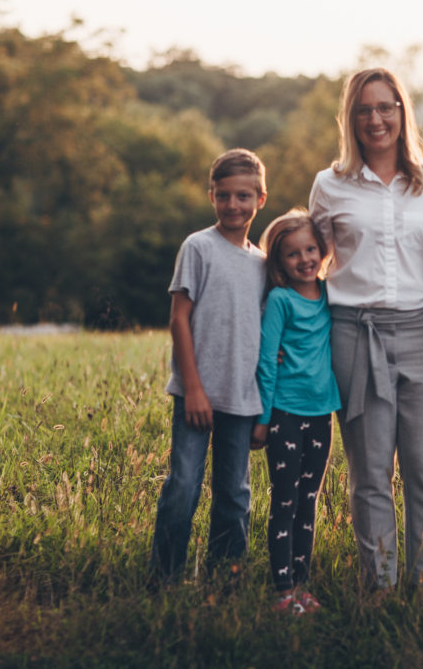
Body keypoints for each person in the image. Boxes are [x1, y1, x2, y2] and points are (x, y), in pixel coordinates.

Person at [309, 68, 423, 604]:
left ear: (402, 111)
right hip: (354, 333)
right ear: (351, 118)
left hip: (422, 331)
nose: (376, 119)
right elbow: (312, 261)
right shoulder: (330, 184)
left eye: (386, 107)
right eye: (364, 109)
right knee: (369, 471)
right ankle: (380, 585)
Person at [148, 148, 268, 586]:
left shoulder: (263, 264)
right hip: (196, 395)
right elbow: (179, 317)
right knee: (183, 487)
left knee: (235, 495)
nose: (233, 205)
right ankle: (164, 578)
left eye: (243, 196)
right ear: (211, 196)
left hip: (242, 398)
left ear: (261, 198)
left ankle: (225, 580)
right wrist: (193, 388)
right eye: (223, 196)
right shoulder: (198, 247)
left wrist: (263, 410)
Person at [250, 209, 341, 615]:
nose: (304, 259)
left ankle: (303, 587)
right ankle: (281, 590)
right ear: (279, 263)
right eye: (292, 254)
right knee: (284, 502)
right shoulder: (281, 300)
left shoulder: (330, 293)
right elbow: (267, 360)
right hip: (285, 413)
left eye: (310, 249)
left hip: (324, 413)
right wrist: (263, 417)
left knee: (310, 501)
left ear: (322, 251)